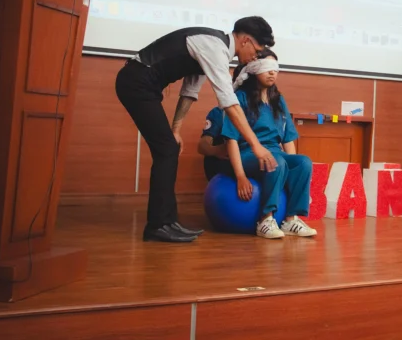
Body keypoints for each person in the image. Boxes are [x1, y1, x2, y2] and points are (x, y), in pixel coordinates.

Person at [115, 17, 279, 243]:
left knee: (168, 147)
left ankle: (167, 222)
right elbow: (229, 103)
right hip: (136, 82)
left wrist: (176, 129)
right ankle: (159, 225)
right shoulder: (214, 48)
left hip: (145, 87)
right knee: (166, 151)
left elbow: (189, 90)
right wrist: (256, 145)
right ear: (246, 40)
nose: (255, 57)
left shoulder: (209, 49)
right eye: (257, 50)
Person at [215, 49, 317, 239]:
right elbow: (231, 139)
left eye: (275, 69)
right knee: (276, 161)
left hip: (275, 154)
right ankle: (265, 220)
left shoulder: (278, 100)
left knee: (303, 162)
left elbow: (288, 139)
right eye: (267, 68)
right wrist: (240, 176)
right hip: (248, 154)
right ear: (253, 69)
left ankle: (290, 219)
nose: (272, 73)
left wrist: (293, 170)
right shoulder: (240, 98)